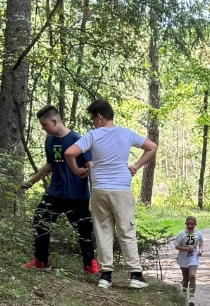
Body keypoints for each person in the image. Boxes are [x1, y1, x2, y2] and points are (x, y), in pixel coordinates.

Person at [64, 98, 157, 290]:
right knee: (126, 231)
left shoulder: (93, 135)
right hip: (121, 188)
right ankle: (135, 275)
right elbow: (152, 147)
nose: (92, 122)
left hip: (99, 188)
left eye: (92, 118)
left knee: (103, 231)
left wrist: (77, 170)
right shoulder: (126, 134)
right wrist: (136, 166)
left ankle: (105, 276)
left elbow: (69, 153)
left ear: (99, 116)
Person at [19, 104, 97, 275]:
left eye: (44, 125)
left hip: (77, 195)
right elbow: (50, 165)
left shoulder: (78, 139)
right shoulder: (50, 140)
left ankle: (89, 264)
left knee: (84, 228)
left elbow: (90, 166)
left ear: (54, 121)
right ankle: (41, 260)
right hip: (55, 193)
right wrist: (31, 182)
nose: (43, 128)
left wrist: (97, 190)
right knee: (40, 220)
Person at [172, 214, 204, 302]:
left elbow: (201, 243)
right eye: (188, 224)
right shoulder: (181, 234)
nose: (190, 226)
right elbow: (176, 246)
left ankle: (191, 298)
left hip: (193, 256)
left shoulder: (198, 233)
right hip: (183, 257)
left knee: (192, 276)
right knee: (186, 279)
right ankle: (184, 293)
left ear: (195, 224)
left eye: (192, 224)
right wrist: (186, 249)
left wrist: (200, 250)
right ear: (185, 224)